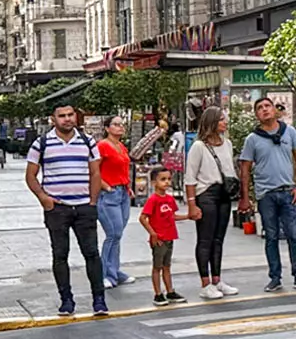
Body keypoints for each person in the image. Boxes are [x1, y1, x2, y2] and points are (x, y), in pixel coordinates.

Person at [24, 105, 106, 317]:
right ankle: (66, 300)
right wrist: (44, 199)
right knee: (60, 255)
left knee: (92, 254)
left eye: (70, 115)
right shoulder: (41, 143)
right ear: (53, 119)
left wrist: (92, 202)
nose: (67, 119)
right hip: (57, 209)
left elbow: (95, 173)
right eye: (62, 116)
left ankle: (99, 300)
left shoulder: (88, 142)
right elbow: (31, 175)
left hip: (84, 207)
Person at [237, 97, 296, 293]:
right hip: (266, 194)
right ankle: (275, 277)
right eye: (260, 108)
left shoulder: (289, 132)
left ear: (274, 109)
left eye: (267, 106)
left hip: (289, 191)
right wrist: (245, 197)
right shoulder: (252, 139)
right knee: (271, 237)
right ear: (256, 114)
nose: (264, 110)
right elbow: (245, 169)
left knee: (295, 235)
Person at [186, 106, 240, 300]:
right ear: (212, 123)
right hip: (206, 193)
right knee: (205, 239)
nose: (225, 123)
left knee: (219, 239)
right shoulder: (198, 146)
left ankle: (217, 279)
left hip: (223, 193)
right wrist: (192, 203)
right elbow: (190, 177)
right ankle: (205, 283)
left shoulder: (227, 144)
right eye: (221, 120)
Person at [96, 116, 135, 289]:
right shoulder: (103, 146)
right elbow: (93, 169)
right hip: (109, 194)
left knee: (117, 235)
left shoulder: (121, 146)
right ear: (107, 128)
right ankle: (105, 274)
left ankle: (114, 271)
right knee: (113, 234)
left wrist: (128, 186)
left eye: (122, 125)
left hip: (122, 193)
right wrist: (105, 186)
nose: (120, 127)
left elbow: (124, 168)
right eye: (116, 125)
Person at [138, 167, 185, 306]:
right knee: (157, 267)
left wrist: (188, 216)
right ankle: (158, 293)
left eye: (169, 179)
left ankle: (170, 291)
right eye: (163, 179)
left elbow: (173, 216)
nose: (167, 182)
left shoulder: (170, 199)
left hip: (169, 237)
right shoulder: (153, 200)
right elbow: (143, 218)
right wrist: (153, 233)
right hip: (159, 239)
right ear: (154, 182)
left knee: (167, 266)